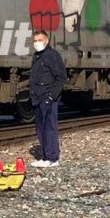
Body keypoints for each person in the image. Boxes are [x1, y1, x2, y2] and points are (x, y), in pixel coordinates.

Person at [29, 30, 67, 168]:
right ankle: (44, 157)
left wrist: (52, 96)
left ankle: (53, 158)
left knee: (49, 128)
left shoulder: (52, 55)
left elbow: (61, 77)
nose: (36, 43)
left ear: (46, 41)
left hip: (47, 97)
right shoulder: (37, 56)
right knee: (41, 129)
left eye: (39, 40)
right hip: (38, 97)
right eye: (35, 40)